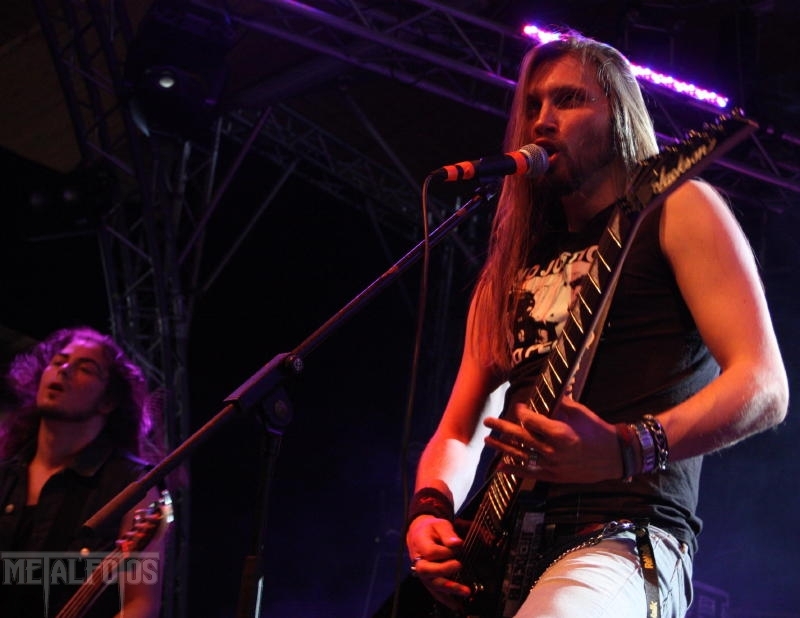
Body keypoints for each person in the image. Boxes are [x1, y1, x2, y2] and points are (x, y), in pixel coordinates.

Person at [404, 31, 788, 618]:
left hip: (625, 539)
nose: (542, 120)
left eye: (569, 100)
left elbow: (764, 386)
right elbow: (460, 431)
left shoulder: (676, 208)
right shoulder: (510, 265)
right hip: (500, 552)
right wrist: (430, 512)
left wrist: (628, 449)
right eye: (533, 105)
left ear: (619, 117)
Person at [0, 326, 169, 618]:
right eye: (58, 361)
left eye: (85, 368)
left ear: (108, 401)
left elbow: (139, 605)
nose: (63, 370)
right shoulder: (6, 475)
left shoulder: (133, 486)